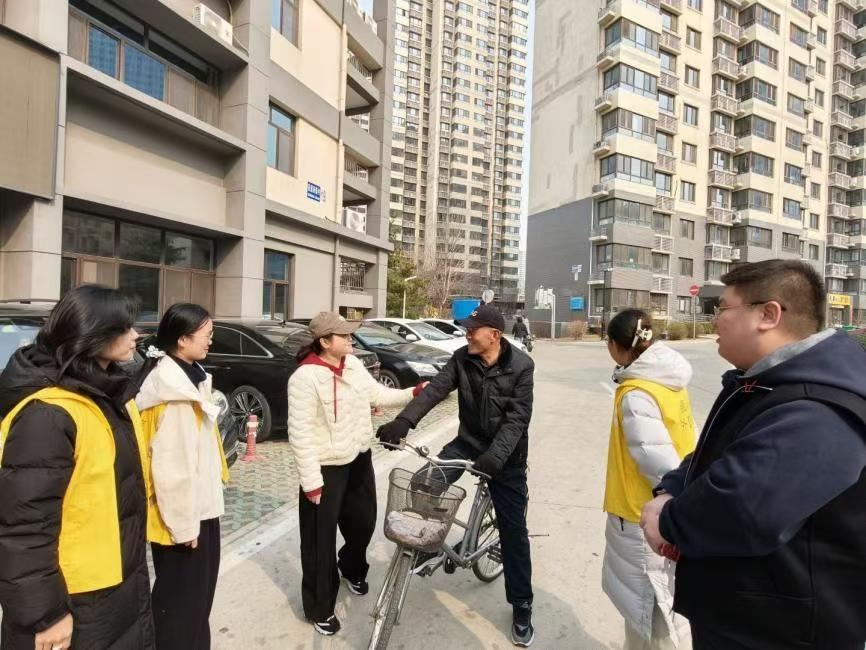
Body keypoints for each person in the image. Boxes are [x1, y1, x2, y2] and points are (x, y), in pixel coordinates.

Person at [640, 260, 866, 649]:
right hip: (743, 615)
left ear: (768, 315)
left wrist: (669, 520)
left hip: (781, 630)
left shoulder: (817, 407)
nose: (715, 320)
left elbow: (744, 509)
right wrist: (672, 487)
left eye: (722, 308)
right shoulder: (765, 383)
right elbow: (717, 452)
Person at [0, 285, 154, 649]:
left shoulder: (105, 394)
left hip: (116, 585)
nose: (136, 335)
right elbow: (25, 527)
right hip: (74, 601)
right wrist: (46, 615)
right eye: (125, 327)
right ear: (93, 334)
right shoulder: (48, 414)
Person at [376, 303, 536, 647]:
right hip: (467, 444)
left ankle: (522, 604)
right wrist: (404, 421)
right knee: (424, 481)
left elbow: (517, 419)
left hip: (506, 457)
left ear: (494, 335)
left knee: (513, 532)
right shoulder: (462, 358)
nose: (467, 335)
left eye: (472, 330)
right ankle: (429, 545)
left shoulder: (521, 366)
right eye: (466, 329)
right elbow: (435, 390)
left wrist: (496, 456)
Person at [288, 311, 424, 636]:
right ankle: (319, 607)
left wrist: (414, 392)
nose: (351, 339)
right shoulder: (304, 378)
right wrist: (311, 481)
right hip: (325, 467)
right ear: (325, 341)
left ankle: (351, 568)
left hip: (359, 457)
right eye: (344, 335)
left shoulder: (352, 364)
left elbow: (378, 395)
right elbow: (300, 433)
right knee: (319, 541)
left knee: (363, 522)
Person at [137, 303, 229, 649]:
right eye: (206, 335)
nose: (210, 341)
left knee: (195, 603)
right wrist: (184, 526)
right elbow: (171, 469)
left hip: (201, 510)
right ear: (182, 339)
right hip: (186, 520)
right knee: (181, 608)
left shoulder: (190, 375)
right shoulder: (172, 392)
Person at [601, 310, 695, 650]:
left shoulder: (637, 393)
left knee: (652, 613)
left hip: (642, 514)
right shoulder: (667, 379)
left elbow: (657, 461)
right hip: (664, 507)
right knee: (654, 609)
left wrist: (671, 508)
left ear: (617, 345)